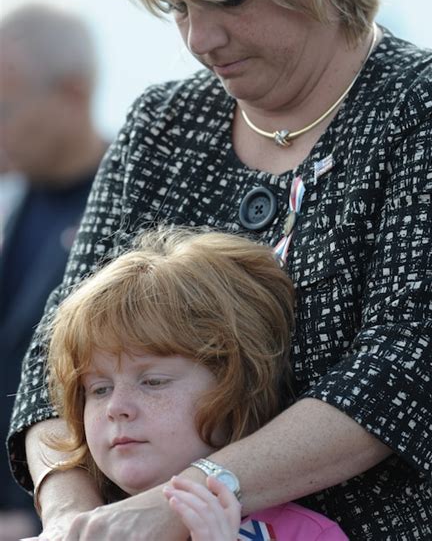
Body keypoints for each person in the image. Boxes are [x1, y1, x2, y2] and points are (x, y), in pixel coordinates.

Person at [8, 0, 432, 539]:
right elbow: (56, 364)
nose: (200, 38)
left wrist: (176, 504)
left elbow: (407, 370)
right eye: (177, 7)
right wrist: (73, 517)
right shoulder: (162, 123)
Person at [43, 226, 347, 539]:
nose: (116, 408)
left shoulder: (306, 534)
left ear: (238, 386)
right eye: (100, 389)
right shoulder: (81, 533)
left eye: (153, 382)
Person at [0, 0, 106, 539]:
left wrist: (32, 510)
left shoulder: (128, 213)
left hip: (61, 509)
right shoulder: (13, 203)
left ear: (73, 92)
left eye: (5, 110)